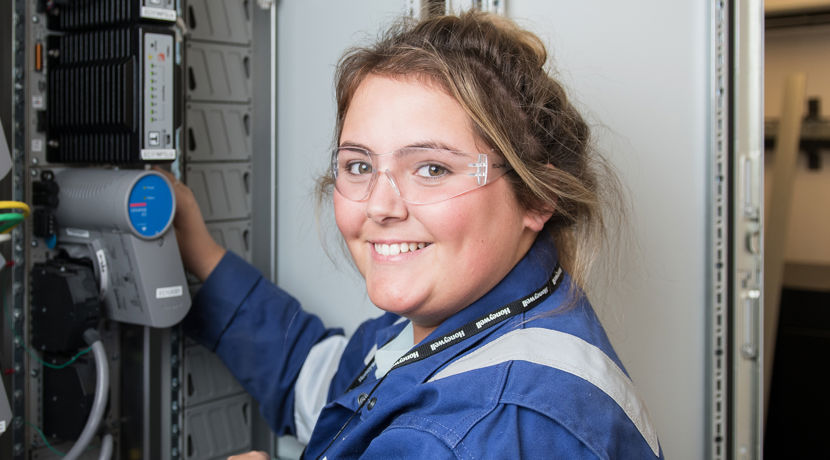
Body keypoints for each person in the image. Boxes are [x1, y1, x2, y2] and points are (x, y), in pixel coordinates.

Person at [169, 11, 662, 459]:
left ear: (536, 198)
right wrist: (201, 253)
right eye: (359, 165)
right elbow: (321, 382)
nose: (379, 206)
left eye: (431, 168)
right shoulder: (463, 320)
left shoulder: (487, 430)